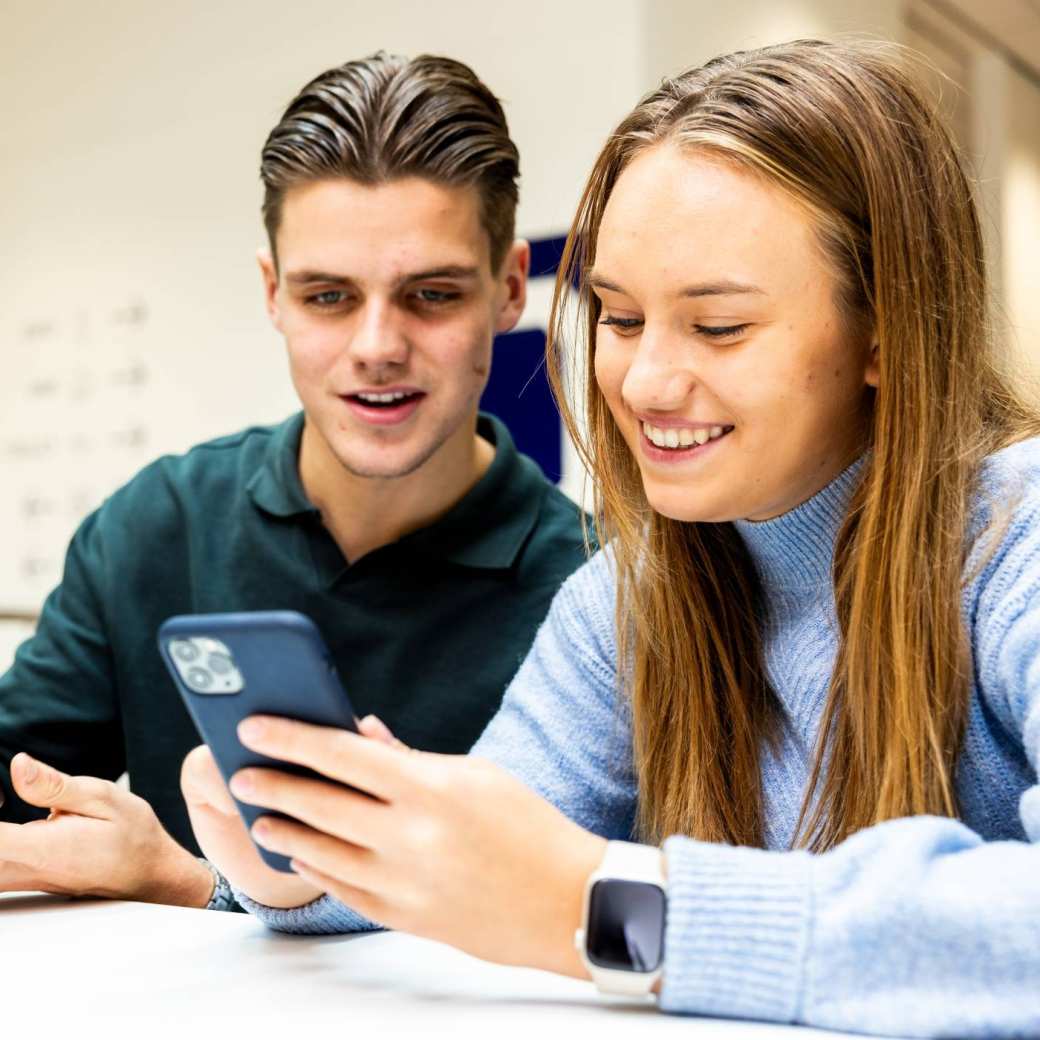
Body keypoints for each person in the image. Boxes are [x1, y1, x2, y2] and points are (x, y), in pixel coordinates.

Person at [184, 39, 1040, 1034]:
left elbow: (562, 893)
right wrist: (296, 864)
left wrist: (604, 905)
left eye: (717, 327)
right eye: (619, 317)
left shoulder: (1011, 544)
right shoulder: (625, 601)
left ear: (883, 330)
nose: (640, 384)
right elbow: (486, 865)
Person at [0, 53, 588, 910]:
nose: (377, 345)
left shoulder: (597, 592)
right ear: (274, 294)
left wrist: (185, 883)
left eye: (430, 294)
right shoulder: (155, 525)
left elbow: (569, 913)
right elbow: (20, 783)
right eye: (328, 297)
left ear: (505, 291)